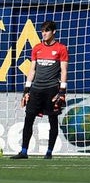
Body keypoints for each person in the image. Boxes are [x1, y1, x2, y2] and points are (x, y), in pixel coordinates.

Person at [13, 20, 67, 159]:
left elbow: (64, 71)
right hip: (36, 89)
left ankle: (49, 152)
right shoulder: (37, 48)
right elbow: (32, 69)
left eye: (47, 31)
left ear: (53, 32)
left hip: (51, 90)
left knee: (53, 120)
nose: (44, 33)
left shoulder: (61, 48)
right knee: (28, 119)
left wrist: (62, 91)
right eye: (42, 31)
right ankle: (24, 151)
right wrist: (26, 89)